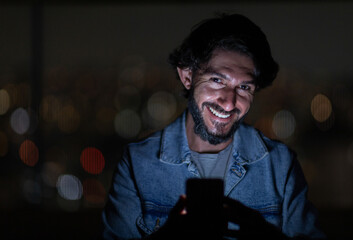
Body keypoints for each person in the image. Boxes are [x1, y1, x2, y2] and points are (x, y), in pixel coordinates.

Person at [101, 13, 326, 240]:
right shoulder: (139, 164)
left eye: (245, 87)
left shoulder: (280, 166)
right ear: (187, 76)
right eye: (217, 80)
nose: (229, 101)